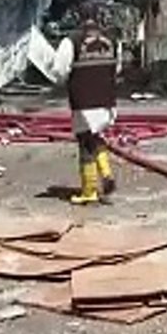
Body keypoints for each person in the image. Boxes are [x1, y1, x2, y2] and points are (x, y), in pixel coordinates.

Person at [49, 13, 121, 205]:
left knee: (85, 142)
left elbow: (58, 70)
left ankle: (89, 189)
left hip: (84, 100)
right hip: (107, 100)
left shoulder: (72, 41)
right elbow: (118, 68)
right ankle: (106, 173)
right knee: (96, 137)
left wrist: (63, 81)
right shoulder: (112, 40)